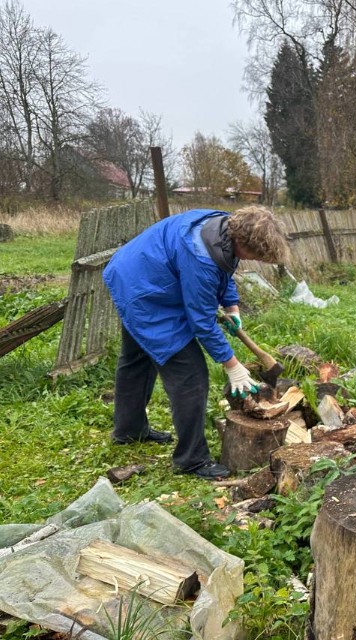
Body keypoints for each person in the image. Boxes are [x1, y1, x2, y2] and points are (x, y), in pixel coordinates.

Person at [104, 205, 289, 480]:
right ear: (241, 240)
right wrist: (232, 365)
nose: (255, 261)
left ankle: (129, 430)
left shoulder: (222, 224)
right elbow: (201, 322)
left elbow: (225, 266)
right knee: (190, 376)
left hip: (132, 271)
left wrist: (231, 304)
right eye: (255, 255)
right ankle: (191, 459)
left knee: (137, 360)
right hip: (145, 293)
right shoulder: (199, 256)